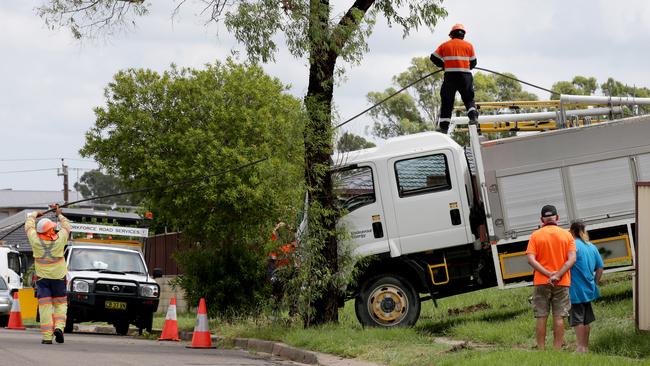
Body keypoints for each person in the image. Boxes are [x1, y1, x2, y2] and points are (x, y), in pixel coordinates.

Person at [525, 204, 576, 350]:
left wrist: (547, 274)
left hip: (541, 281)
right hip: (562, 281)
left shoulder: (535, 235)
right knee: (559, 316)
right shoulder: (566, 235)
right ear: (557, 218)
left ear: (542, 219)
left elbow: (530, 259)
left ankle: (541, 349)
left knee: (541, 316)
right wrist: (558, 275)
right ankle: (557, 350)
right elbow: (572, 259)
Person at [25, 205, 71, 344]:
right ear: (50, 229)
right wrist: (59, 214)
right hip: (58, 279)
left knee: (44, 307)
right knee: (61, 305)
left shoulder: (35, 240)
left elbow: (28, 226)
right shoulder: (60, 239)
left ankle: (46, 337)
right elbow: (67, 226)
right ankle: (59, 328)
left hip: (43, 280)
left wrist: (34, 214)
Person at [429, 23, 479, 134]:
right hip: (465, 76)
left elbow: (433, 57)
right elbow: (474, 62)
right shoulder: (469, 46)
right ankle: (473, 118)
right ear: (463, 35)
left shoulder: (445, 45)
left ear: (452, 35)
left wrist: (444, 65)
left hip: (450, 77)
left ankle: (443, 128)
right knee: (468, 99)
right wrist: (465, 66)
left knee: (447, 102)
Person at [568, 220, 604, 353]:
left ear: (571, 231)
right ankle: (586, 347)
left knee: (578, 320)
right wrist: (594, 283)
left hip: (575, 289)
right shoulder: (591, 246)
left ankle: (580, 348)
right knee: (586, 320)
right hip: (589, 288)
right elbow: (600, 268)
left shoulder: (572, 246)